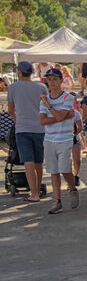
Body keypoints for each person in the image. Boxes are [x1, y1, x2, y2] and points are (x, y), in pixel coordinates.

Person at [39, 67, 79, 214]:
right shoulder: (44, 99)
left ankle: (72, 188)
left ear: (61, 80)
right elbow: (43, 121)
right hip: (49, 138)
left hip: (65, 138)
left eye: (55, 79)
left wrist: (50, 107)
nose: (52, 82)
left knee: (64, 168)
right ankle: (57, 201)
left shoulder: (67, 97)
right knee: (53, 171)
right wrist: (61, 116)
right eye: (49, 80)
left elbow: (60, 116)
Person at [7, 61, 47, 201]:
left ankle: (34, 193)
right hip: (40, 127)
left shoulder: (13, 87)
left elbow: (10, 110)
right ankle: (38, 190)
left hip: (23, 128)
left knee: (28, 161)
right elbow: (47, 106)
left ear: (19, 72)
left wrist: (18, 120)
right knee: (38, 161)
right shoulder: (41, 87)